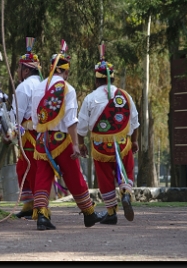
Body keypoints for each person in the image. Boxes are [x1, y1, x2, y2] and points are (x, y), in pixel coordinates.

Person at [31, 40, 104, 230]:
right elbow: (71, 121)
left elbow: (34, 118)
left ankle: (42, 215)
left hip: (42, 141)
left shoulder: (39, 88)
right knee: (74, 176)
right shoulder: (67, 89)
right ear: (65, 71)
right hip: (62, 141)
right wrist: (75, 145)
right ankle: (89, 213)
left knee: (43, 176)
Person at [77, 44, 139, 225]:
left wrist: (81, 145)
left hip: (100, 147)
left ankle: (111, 212)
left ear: (97, 80)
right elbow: (134, 123)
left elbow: (81, 127)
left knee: (104, 177)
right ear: (113, 77)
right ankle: (126, 192)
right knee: (126, 170)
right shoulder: (125, 96)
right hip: (122, 144)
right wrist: (134, 142)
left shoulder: (90, 98)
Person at [10, 37, 43, 219]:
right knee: (30, 168)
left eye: (19, 68)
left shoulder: (24, 86)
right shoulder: (44, 84)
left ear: (26, 69)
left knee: (29, 169)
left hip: (29, 134)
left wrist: (11, 131)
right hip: (43, 134)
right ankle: (30, 205)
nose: (18, 72)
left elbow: (17, 113)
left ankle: (37, 206)